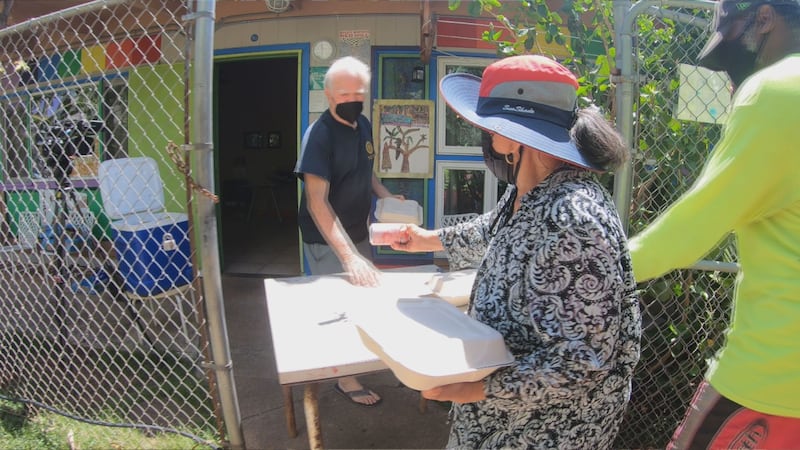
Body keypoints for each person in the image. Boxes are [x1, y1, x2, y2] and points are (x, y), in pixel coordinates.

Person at [387, 55, 642, 449]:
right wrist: (425, 239)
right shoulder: (530, 191)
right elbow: (495, 230)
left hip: (545, 431)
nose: (484, 136)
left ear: (512, 137)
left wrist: (473, 390)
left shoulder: (573, 220)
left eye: (487, 126)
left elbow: (584, 360)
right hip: (503, 417)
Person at [627, 0, 800, 447]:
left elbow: (692, 229)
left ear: (765, 18)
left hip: (775, 377)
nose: (735, 71)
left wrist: (588, 270)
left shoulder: (777, 90)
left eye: (734, 52)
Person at [294, 55, 401, 407]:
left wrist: (386, 195)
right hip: (327, 239)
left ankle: (359, 354)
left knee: (363, 300)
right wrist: (348, 256)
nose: (352, 99)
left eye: (358, 92)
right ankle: (344, 377)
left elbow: (363, 168)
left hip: (358, 230)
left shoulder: (364, 124)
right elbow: (316, 202)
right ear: (327, 95)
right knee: (338, 308)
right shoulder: (319, 135)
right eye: (343, 94)